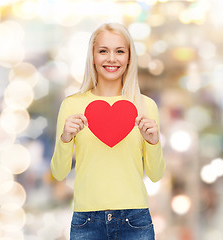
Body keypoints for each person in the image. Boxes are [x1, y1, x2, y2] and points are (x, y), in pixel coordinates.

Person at [50, 22, 166, 240]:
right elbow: (58, 172)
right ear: (92, 56)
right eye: (103, 51)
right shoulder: (71, 105)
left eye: (120, 51)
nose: (111, 58)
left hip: (135, 221)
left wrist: (153, 142)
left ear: (129, 58)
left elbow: (156, 174)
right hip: (86, 221)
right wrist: (65, 139)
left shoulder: (146, 105)